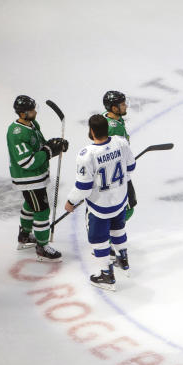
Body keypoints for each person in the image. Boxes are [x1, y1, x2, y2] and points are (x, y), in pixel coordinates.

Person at [65, 114, 136, 291]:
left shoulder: (87, 154)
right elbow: (131, 167)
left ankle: (106, 274)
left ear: (91, 131)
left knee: (99, 239)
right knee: (118, 229)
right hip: (120, 200)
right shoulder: (121, 142)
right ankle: (123, 259)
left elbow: (83, 187)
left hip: (100, 206)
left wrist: (71, 201)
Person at [6, 95, 68, 261]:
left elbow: (39, 146)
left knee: (30, 204)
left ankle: (24, 236)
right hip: (28, 178)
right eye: (31, 109)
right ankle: (42, 247)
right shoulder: (16, 133)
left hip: (36, 176)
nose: (35, 111)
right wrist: (49, 151)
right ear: (23, 113)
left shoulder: (32, 124)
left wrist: (55, 144)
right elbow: (27, 161)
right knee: (41, 210)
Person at [103, 90, 137, 221]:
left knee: (126, 206)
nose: (126, 106)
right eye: (122, 104)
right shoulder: (113, 128)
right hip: (117, 174)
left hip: (118, 170)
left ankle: (111, 234)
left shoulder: (110, 117)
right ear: (114, 108)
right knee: (126, 208)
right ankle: (111, 236)